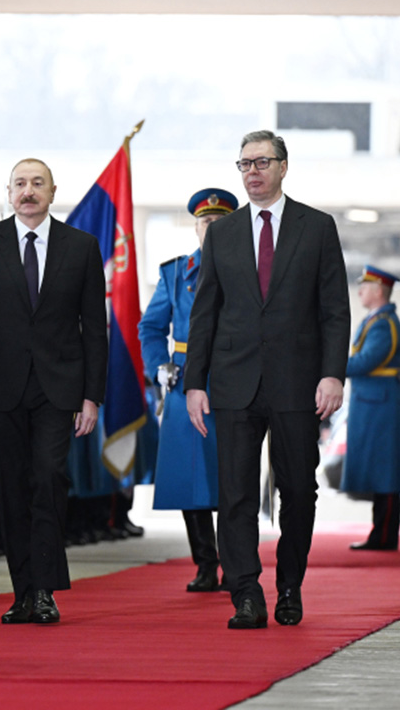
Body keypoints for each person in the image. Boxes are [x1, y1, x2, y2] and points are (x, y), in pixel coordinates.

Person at [184, 130, 350, 630]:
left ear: (283, 166)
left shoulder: (316, 227)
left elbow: (334, 310)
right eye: (245, 164)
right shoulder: (223, 233)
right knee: (234, 492)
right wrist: (195, 382)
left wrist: (332, 374)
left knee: (298, 489)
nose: (252, 171)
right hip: (233, 381)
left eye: (261, 162)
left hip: (298, 381)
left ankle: (290, 586)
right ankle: (246, 593)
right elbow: (205, 312)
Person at [0, 157, 107, 625]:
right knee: (12, 488)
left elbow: (95, 329)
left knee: (49, 480)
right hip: (0, 386)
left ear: (53, 192)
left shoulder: (81, 247)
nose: (28, 191)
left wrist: (91, 396)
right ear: (9, 192)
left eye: (38, 183)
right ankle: (23, 592)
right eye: (20, 183)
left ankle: (45, 590)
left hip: (59, 388)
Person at [137, 188, 237, 592]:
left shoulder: (247, 270)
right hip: (184, 383)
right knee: (189, 476)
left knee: (232, 476)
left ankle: (236, 565)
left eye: (219, 222)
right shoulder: (176, 272)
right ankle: (205, 564)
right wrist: (158, 366)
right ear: (195, 228)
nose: (211, 228)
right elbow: (150, 327)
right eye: (205, 222)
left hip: (231, 381)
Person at [341, 266, 400, 550]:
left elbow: (366, 361)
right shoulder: (377, 320)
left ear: (378, 291)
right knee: (380, 470)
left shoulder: (383, 324)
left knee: (386, 471)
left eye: (365, 286)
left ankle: (384, 535)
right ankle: (381, 532)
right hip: (375, 403)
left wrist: (329, 367)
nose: (360, 290)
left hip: (381, 405)